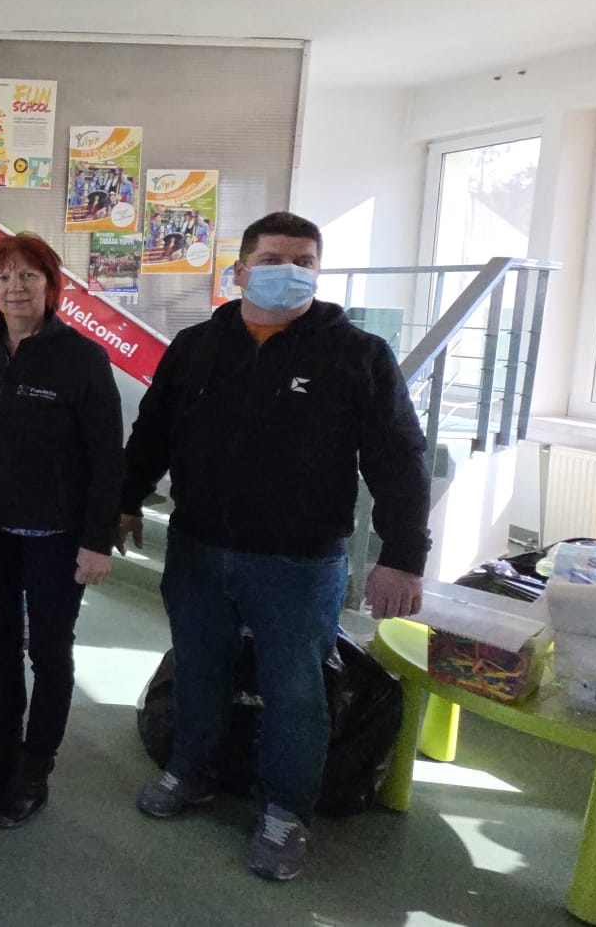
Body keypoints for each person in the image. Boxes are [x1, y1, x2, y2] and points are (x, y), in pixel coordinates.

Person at [120, 210, 430, 882]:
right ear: (239, 272)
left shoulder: (357, 356)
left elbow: (400, 459)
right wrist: (122, 502)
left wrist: (404, 555)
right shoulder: (197, 347)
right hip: (198, 547)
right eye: (271, 260)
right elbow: (152, 434)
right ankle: (191, 771)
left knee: (295, 690)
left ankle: (285, 811)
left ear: (318, 272)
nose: (288, 272)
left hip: (299, 562)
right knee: (198, 668)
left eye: (303, 262)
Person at [0, 233, 121, 829]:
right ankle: (1, 752)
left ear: (50, 285)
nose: (14, 287)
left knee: (49, 650)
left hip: (58, 534)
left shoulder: (82, 357)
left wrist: (97, 541)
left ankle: (35, 768)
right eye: (2, 277)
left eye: (28, 275)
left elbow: (107, 458)